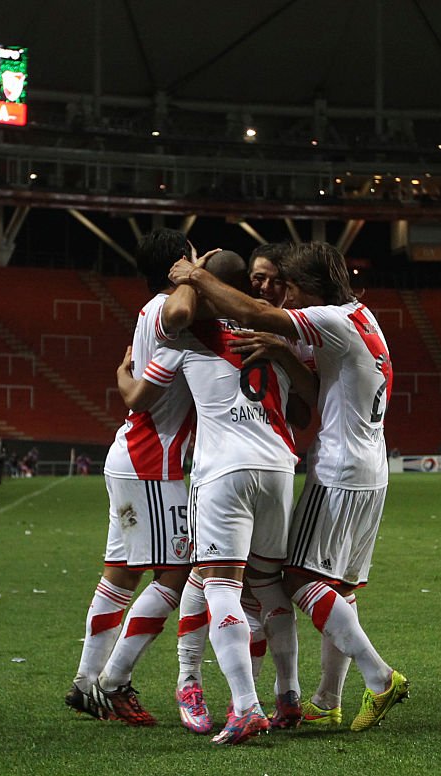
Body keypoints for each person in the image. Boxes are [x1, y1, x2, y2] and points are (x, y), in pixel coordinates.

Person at [170, 240, 409, 733]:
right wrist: (284, 354)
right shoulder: (363, 315)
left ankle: (380, 677)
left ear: (311, 289)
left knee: (298, 579)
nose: (286, 296)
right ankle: (326, 697)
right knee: (338, 587)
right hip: (372, 468)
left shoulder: (328, 319)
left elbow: (257, 311)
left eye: (291, 287)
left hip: (340, 470)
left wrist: (194, 276)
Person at [125, 249, 313, 744]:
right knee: (269, 585)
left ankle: (246, 706)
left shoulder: (190, 335)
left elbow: (174, 320)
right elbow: (302, 412)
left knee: (220, 585)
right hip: (278, 466)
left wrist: (192, 274)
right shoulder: (271, 337)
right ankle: (288, 697)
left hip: (223, 471)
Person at [65, 229, 206, 727]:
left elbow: (134, 390)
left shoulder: (149, 310)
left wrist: (124, 377)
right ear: (177, 265)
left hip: (131, 457)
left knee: (121, 575)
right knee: (178, 572)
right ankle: (115, 679)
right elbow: (140, 397)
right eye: (192, 257)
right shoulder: (172, 316)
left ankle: (86, 683)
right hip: (152, 463)